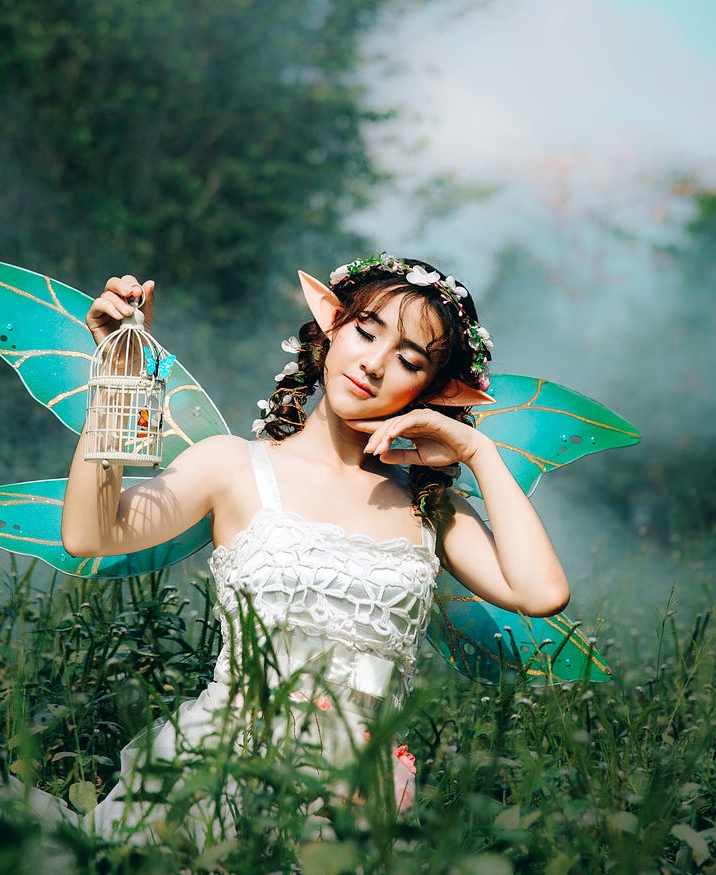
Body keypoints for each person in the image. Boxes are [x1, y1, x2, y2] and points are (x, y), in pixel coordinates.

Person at [61, 254, 570, 843]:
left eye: (408, 360)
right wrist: (118, 374)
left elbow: (542, 593)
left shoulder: (430, 508)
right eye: (365, 331)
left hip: (356, 797)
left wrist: (478, 453)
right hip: (221, 769)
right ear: (331, 326)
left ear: (436, 390)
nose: (374, 364)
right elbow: (91, 535)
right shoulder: (232, 465)